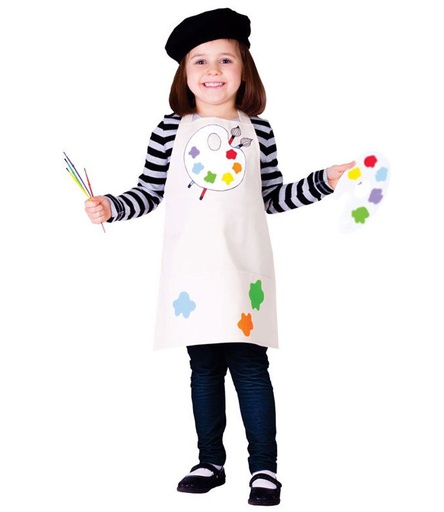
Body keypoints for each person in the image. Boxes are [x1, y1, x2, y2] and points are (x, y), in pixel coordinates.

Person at [84, 7, 354, 506]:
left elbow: (273, 196)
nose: (213, 71)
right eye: (200, 61)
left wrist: (325, 181)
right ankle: (210, 461)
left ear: (244, 69)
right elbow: (148, 192)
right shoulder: (170, 130)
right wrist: (112, 207)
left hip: (243, 270)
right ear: (184, 74)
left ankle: (265, 469)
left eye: (225, 60)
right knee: (204, 367)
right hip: (190, 273)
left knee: (250, 366)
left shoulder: (259, 131)